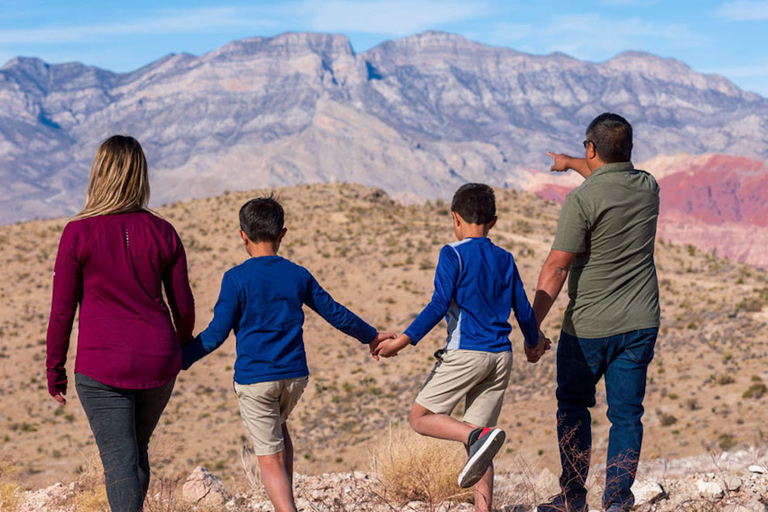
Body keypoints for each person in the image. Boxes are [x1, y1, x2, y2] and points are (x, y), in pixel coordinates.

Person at [181, 196, 394, 512]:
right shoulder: (297, 274)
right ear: (282, 234)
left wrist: (178, 360)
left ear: (242, 235)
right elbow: (335, 312)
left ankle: (286, 509)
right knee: (279, 428)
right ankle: (288, 501)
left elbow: (215, 335)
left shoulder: (235, 278)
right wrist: (371, 336)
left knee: (268, 456)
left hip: (256, 381)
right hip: (295, 377)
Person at [372, 183, 547, 512]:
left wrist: (402, 342)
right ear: (493, 222)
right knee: (482, 444)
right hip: (501, 357)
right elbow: (523, 310)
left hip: (467, 352)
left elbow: (438, 305)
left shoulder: (452, 254)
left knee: (420, 417)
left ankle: (473, 437)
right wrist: (534, 342)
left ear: (455, 219)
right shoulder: (506, 259)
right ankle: (484, 504)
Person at [46, 135, 195, 512]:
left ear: (99, 174)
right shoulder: (164, 231)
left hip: (102, 366)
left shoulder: (77, 233)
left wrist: (55, 369)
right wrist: (181, 346)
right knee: (134, 453)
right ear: (139, 175)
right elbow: (184, 307)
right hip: (159, 361)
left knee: (119, 463)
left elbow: (62, 311)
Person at [531, 113, 660, 512]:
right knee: (626, 416)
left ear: (592, 148)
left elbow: (555, 268)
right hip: (640, 322)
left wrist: (531, 325)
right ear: (629, 150)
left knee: (573, 407)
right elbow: (607, 178)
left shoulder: (581, 200)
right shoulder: (648, 186)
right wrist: (572, 162)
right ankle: (618, 502)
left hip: (587, 327)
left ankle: (573, 498)